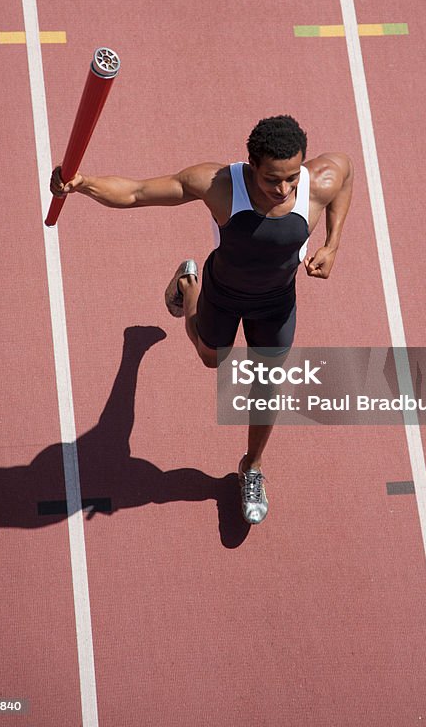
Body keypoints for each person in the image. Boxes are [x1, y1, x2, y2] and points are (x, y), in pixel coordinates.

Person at [50, 115, 353, 524]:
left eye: (291, 179)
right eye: (271, 180)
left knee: (266, 386)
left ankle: (252, 467)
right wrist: (83, 184)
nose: (283, 190)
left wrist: (333, 244)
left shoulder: (319, 181)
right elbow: (138, 192)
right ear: (251, 167)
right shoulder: (219, 186)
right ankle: (189, 283)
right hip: (223, 294)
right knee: (212, 358)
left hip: (276, 303)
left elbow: (346, 174)